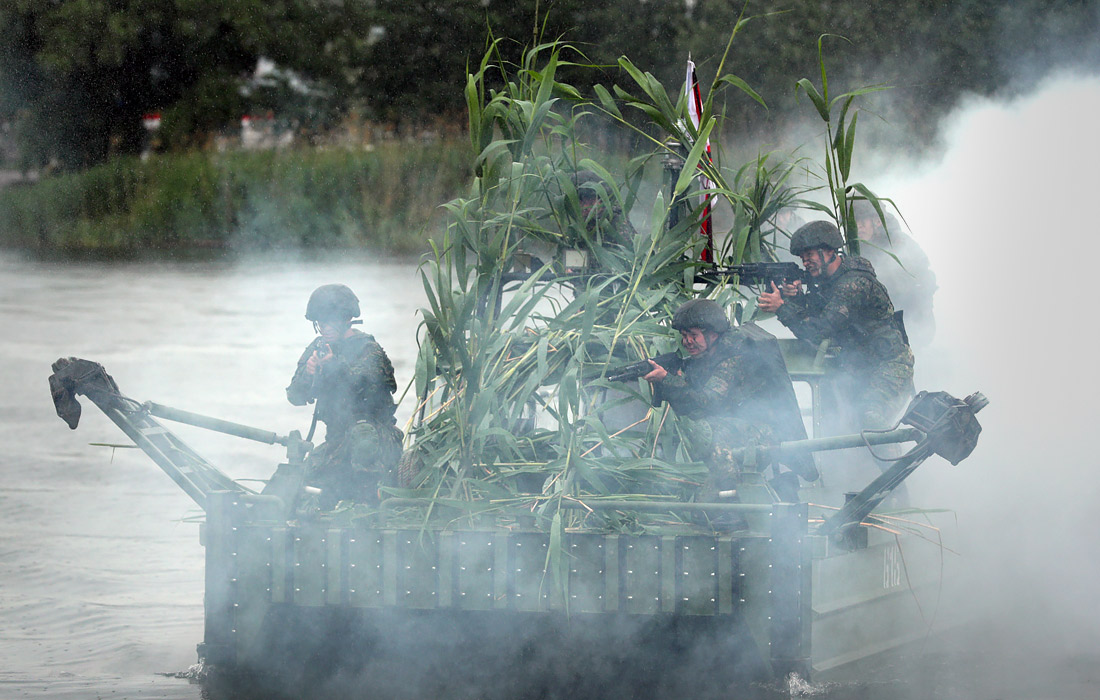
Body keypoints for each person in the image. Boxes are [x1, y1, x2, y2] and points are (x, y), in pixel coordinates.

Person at [756, 221, 914, 477]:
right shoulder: (830, 282)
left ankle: (895, 484)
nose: (806, 262)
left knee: (870, 419)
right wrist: (795, 298)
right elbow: (818, 312)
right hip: (858, 368)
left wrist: (782, 307)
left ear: (829, 251)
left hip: (889, 365)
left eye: (810, 255)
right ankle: (853, 484)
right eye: (802, 257)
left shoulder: (853, 284)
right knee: (839, 425)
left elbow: (819, 331)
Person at [643, 299, 817, 503]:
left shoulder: (735, 357)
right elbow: (692, 408)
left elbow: (709, 401)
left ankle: (734, 499)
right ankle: (730, 498)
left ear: (713, 333)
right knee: (703, 508)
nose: (687, 341)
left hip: (765, 432)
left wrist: (668, 379)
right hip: (737, 432)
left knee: (706, 431)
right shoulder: (706, 358)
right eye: (684, 335)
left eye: (693, 335)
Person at [286, 284, 402, 507]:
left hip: (377, 440)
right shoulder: (318, 347)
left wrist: (332, 367)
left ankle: (367, 504)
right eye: (320, 322)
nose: (325, 328)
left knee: (362, 434)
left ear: (347, 319)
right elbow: (295, 397)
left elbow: (364, 391)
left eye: (330, 321)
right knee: (301, 488)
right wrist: (309, 374)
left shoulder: (368, 349)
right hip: (338, 441)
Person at [852, 200, 937, 346]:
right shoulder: (854, 247)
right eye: (854, 221)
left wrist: (922, 306)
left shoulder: (899, 242)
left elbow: (925, 275)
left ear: (877, 221)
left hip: (907, 311)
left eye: (863, 221)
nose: (858, 226)